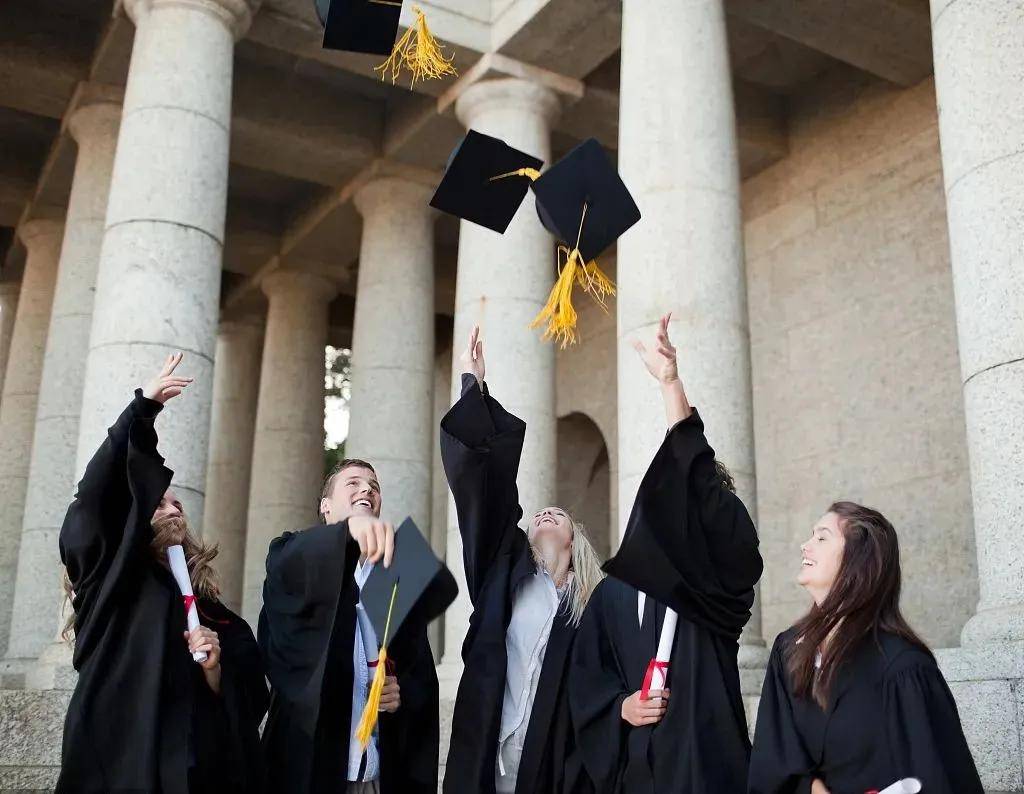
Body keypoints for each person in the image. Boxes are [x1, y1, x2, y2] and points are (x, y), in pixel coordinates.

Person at [57, 353, 268, 794]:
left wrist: (215, 672)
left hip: (195, 773)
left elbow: (252, 698)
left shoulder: (213, 612)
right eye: (158, 503)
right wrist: (141, 411)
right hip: (116, 767)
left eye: (178, 504)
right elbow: (94, 498)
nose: (173, 509)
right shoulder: (108, 579)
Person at [570, 314, 764, 793]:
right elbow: (588, 678)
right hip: (637, 770)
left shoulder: (711, 587)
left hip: (707, 761)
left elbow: (696, 478)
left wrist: (671, 388)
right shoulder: (610, 594)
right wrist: (621, 707)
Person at [441, 326, 602, 794]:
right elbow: (483, 495)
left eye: (559, 514)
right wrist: (475, 387)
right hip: (488, 745)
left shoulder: (594, 603)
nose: (547, 513)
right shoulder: (503, 571)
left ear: (575, 541)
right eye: (539, 514)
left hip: (551, 759)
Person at [747, 501, 984, 794]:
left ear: (857, 559)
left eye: (822, 537)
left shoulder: (903, 667)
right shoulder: (789, 650)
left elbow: (937, 777)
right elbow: (772, 759)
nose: (804, 546)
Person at [259, 457, 440, 794]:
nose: (367, 489)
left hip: (376, 769)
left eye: (374, 486)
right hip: (311, 765)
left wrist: (401, 693)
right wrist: (346, 532)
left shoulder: (395, 577)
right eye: (353, 483)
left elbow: (419, 670)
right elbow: (290, 564)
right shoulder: (292, 555)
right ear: (326, 506)